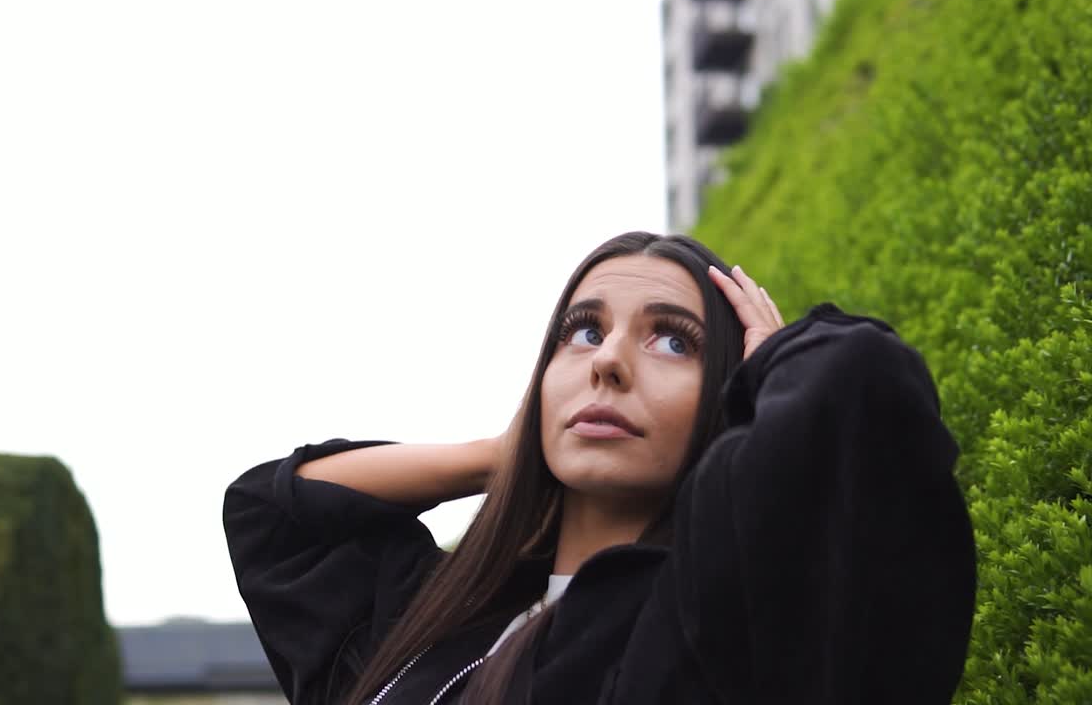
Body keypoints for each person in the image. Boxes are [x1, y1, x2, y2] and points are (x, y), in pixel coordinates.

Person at [223, 231, 976, 705]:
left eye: (673, 341)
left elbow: (860, 387)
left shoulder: (703, 623)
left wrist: (771, 361)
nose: (609, 361)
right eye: (582, 332)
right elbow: (273, 513)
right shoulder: (438, 618)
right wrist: (507, 457)